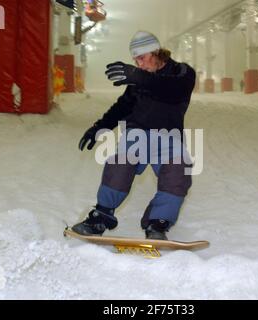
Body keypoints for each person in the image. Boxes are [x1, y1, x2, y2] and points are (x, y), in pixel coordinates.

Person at [72, 31, 196, 240]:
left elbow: (173, 90)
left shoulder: (183, 72)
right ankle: (100, 216)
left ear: (156, 52)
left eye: (141, 58)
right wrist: (99, 127)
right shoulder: (139, 81)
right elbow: (123, 107)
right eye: (135, 60)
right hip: (137, 133)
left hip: (169, 136)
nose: (139, 64)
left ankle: (158, 223)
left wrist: (139, 77)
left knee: (178, 173)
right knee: (121, 165)